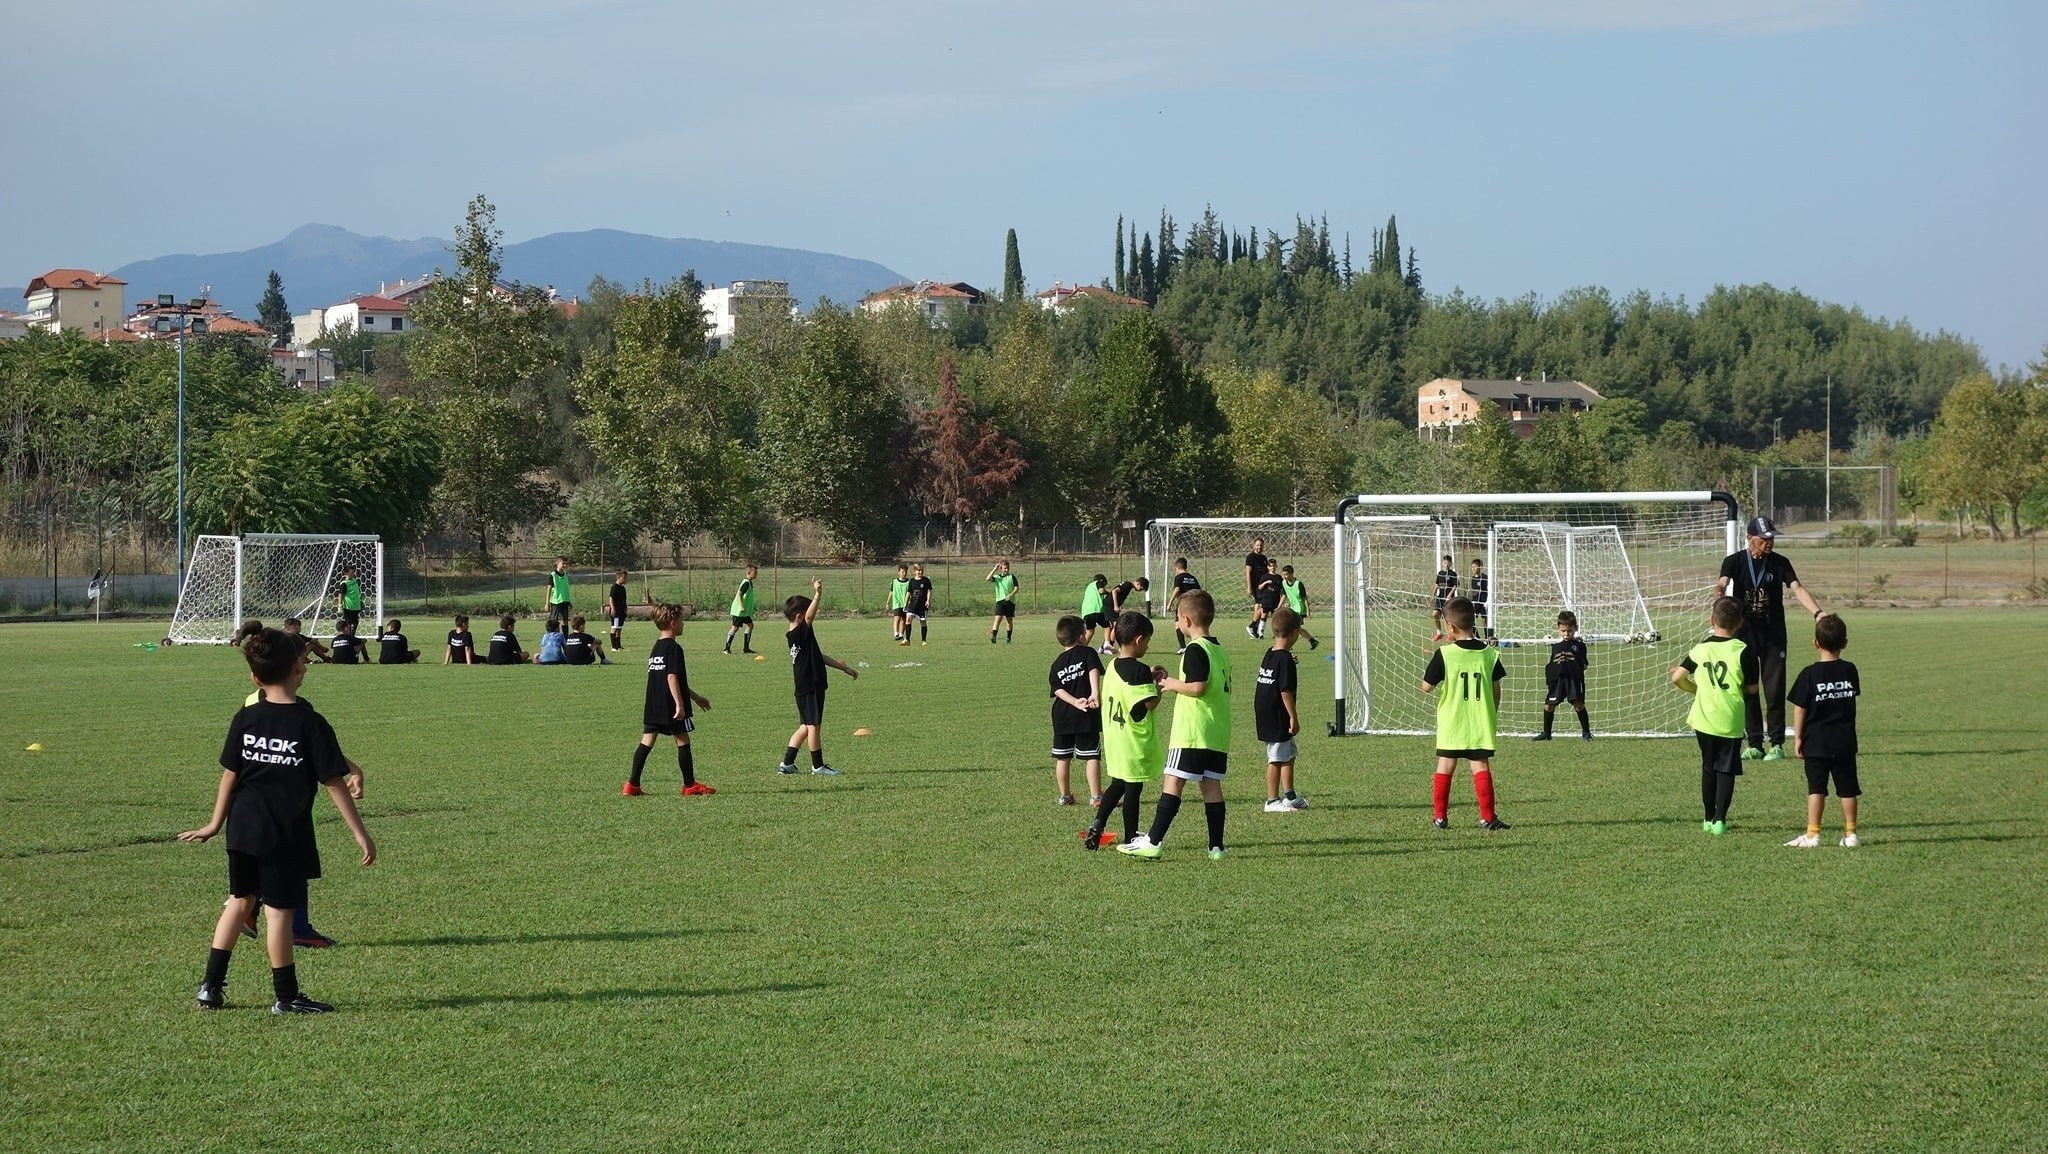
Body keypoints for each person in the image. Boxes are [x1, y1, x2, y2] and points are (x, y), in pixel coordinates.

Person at [180, 627, 375, 1013]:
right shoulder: (309, 722)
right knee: (279, 914)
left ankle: (209, 987)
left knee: (238, 902)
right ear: (299, 669)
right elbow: (334, 783)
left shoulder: (246, 718)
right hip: (284, 835)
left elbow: (230, 775)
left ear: (255, 677)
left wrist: (214, 824)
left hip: (243, 829)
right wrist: (360, 834)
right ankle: (286, 997)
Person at [1120, 589, 1231, 860]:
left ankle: (1154, 841)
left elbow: (1198, 687)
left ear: (1186, 620)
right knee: (1211, 785)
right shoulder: (1218, 649)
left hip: (1192, 732)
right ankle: (1216, 847)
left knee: (1173, 781)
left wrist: (1169, 684)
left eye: (1177, 619)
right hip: (1216, 732)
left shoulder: (1194, 648)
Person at [1715, 516, 1824, 761]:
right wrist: (1719, 594)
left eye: (1771, 538)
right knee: (1749, 689)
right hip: (1744, 638)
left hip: (1774, 638)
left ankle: (1776, 744)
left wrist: (1818, 613)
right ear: (1749, 538)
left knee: (1774, 691)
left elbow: (1797, 588)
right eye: (1764, 538)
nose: (1769, 542)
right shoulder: (1733, 562)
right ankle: (1754, 743)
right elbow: (1722, 582)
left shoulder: (1780, 563)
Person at [1671, 596, 1760, 837]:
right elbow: (1752, 689)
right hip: (1729, 719)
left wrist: (1697, 690)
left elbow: (1677, 677)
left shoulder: (1700, 649)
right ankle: (1720, 819)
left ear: (1712, 620)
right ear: (1739, 623)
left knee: (1708, 766)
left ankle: (1708, 817)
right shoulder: (1744, 651)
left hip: (1703, 718)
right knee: (1726, 769)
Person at [1423, 597, 1509, 831]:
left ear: (1450, 627)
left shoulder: (1445, 654)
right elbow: (1496, 691)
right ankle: (1487, 817)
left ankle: (1440, 818)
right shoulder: (1490, 654)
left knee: (1445, 766)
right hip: (1479, 721)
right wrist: (1491, 712)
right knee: (1480, 765)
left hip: (1452, 721)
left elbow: (1426, 687)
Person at [1083, 610, 1165, 851]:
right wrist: (1158, 685)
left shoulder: (1113, 665)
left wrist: (1147, 676)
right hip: (1132, 739)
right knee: (1133, 787)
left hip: (1114, 736)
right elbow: (1147, 704)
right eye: (1147, 641)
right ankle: (1131, 836)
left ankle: (1098, 823)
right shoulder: (1139, 671)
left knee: (1117, 783)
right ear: (1139, 640)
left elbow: (1126, 690)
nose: (1147, 646)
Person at [1786, 613, 1862, 848]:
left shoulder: (1809, 674)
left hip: (1816, 742)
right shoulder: (1850, 670)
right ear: (1845, 643)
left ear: (1815, 642)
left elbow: (1800, 708)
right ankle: (1851, 835)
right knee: (1848, 789)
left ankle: (1813, 834)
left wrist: (1798, 737)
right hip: (1845, 741)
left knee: (1816, 788)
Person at [624, 603, 714, 796]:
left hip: (654, 702)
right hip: (670, 705)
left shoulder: (656, 647)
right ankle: (690, 786)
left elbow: (673, 680)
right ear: (673, 623)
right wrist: (680, 705)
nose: (683, 624)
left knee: (646, 741)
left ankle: (632, 785)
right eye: (681, 620)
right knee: (683, 740)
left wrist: (696, 698)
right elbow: (672, 677)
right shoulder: (674, 648)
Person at [778, 578, 858, 776]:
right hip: (811, 685)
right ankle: (818, 766)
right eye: (806, 615)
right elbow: (810, 616)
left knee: (805, 726)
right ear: (799, 616)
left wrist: (843, 668)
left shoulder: (799, 636)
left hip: (804, 686)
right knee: (814, 726)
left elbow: (818, 656)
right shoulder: (799, 631)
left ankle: (787, 764)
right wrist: (817, 594)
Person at [1048, 615, 1104, 808]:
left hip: (1062, 715)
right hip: (1086, 710)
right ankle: (1096, 797)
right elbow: (1093, 670)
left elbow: (1057, 690)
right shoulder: (1088, 653)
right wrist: (1095, 694)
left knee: (1063, 757)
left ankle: (1065, 796)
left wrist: (1073, 702)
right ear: (1082, 636)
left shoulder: (1057, 663)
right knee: (1091, 756)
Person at [1257, 606, 1306, 812]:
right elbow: (1284, 690)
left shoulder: (1272, 652)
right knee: (1276, 757)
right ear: (1295, 633)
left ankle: (1290, 795)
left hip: (1266, 710)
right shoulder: (1284, 658)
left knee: (1289, 753)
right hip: (1277, 713)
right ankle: (1272, 800)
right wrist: (1293, 716)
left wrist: (1288, 659)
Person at [1534, 610, 1592, 741]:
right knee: (1549, 705)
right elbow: (1552, 664)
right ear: (1558, 629)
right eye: (1563, 631)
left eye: (1569, 631)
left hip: (1573, 680)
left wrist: (1575, 666)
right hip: (1558, 680)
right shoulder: (1556, 647)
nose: (1566, 634)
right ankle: (1546, 733)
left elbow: (1584, 665)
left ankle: (1586, 732)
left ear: (1575, 628)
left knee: (1578, 704)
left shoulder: (1580, 646)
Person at [1278, 565, 1320, 650]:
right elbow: (1284, 595)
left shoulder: (1298, 584)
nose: (1284, 577)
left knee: (1292, 628)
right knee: (1297, 629)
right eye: (1283, 575)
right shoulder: (1284, 583)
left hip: (1300, 609)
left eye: (1286, 575)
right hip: (1292, 609)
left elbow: (1305, 598)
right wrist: (1278, 607)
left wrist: (1308, 612)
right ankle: (1312, 641)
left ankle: (1288, 645)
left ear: (1291, 574)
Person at [723, 563, 759, 655]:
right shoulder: (746, 583)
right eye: (754, 572)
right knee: (734, 628)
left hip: (744, 612)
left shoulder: (749, 582)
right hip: (739, 611)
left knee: (750, 625)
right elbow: (739, 594)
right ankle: (726, 649)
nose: (756, 574)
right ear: (748, 572)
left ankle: (746, 648)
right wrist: (741, 606)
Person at [1167, 557, 1201, 652]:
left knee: (1178, 625)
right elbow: (1199, 591)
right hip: (1194, 603)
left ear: (1177, 567)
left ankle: (1182, 647)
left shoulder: (1178, 577)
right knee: (1194, 624)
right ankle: (1199, 644)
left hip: (1183, 604)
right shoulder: (1193, 578)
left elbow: (1177, 589)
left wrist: (1170, 603)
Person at [1244, 537, 1275, 640]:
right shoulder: (1250, 557)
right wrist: (1249, 587)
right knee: (1261, 606)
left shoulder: (1264, 558)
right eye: (1257, 545)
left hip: (1264, 587)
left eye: (1261, 545)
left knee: (1258, 607)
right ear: (1254, 546)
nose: (1259, 547)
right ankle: (1252, 626)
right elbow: (1248, 572)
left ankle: (1255, 629)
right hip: (1256, 587)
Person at [987, 560, 1019, 644]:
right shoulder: (997, 578)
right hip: (1000, 601)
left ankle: (1008, 638)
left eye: (1008, 568)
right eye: (1005, 568)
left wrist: (1010, 595)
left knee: (1009, 621)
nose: (1006, 570)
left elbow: (1016, 588)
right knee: (997, 619)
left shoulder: (1011, 577)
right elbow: (988, 578)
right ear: (1001, 568)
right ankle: (994, 637)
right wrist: (994, 569)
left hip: (1010, 602)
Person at [904, 562, 935, 646]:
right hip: (913, 605)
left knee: (923, 622)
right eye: (918, 570)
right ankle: (907, 640)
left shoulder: (926, 580)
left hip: (922, 606)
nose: (920, 572)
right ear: (914, 571)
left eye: (921, 570)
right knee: (908, 620)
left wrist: (928, 601)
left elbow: (929, 591)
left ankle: (924, 640)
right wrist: (905, 604)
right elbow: (909, 593)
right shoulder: (912, 581)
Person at [1431, 555, 1458, 642]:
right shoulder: (1440, 573)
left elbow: (1455, 585)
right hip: (1440, 598)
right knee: (1435, 614)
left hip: (1448, 599)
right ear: (1442, 563)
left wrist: (1450, 594)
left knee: (1448, 618)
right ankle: (1439, 633)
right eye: (1445, 563)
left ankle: (1450, 635)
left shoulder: (1453, 574)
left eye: (1448, 563)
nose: (1446, 564)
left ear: (1451, 564)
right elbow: (1437, 584)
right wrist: (1433, 595)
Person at [1079, 574, 1110, 650]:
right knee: (1107, 627)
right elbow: (1101, 590)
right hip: (1097, 610)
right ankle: (1106, 644)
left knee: (1090, 631)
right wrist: (1108, 593)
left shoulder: (1089, 587)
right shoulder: (1098, 583)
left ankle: (1082, 648)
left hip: (1086, 612)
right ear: (1102, 581)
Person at [334, 563, 364, 634]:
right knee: (349, 624)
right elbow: (341, 595)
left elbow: (356, 592)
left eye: (354, 572)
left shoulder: (355, 581)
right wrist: (340, 606)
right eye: (351, 572)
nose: (353, 574)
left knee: (355, 623)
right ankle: (348, 638)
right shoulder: (344, 583)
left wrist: (360, 601)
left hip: (356, 607)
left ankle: (351, 637)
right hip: (348, 608)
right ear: (345, 573)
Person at [546, 557, 573, 632]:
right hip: (556, 602)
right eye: (563, 563)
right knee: (553, 621)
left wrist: (569, 601)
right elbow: (549, 589)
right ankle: (552, 637)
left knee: (565, 620)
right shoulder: (553, 575)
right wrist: (547, 603)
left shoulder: (565, 574)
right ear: (557, 564)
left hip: (565, 601)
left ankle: (565, 639)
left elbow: (565, 589)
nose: (565, 565)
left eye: (565, 564)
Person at [888, 563, 911, 644]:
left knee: (903, 620)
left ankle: (901, 634)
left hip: (905, 603)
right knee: (897, 618)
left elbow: (910, 593)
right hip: (896, 603)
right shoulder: (894, 581)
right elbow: (891, 592)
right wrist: (887, 602)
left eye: (905, 572)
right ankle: (896, 633)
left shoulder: (909, 582)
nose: (904, 573)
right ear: (899, 572)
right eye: (902, 571)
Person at [1469, 558, 1492, 639]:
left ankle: (1487, 638)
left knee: (1484, 620)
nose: (1473, 569)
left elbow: (1489, 589)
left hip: (1483, 602)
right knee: (1470, 619)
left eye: (1475, 567)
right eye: (1472, 567)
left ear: (1480, 567)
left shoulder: (1485, 577)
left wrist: (1487, 601)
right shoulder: (1472, 578)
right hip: (1475, 603)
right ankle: (1477, 637)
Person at [607, 569, 629, 652]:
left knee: (619, 628)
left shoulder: (622, 588)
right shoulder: (614, 587)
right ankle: (613, 647)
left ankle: (618, 646)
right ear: (619, 577)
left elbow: (624, 600)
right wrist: (612, 608)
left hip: (621, 611)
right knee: (614, 628)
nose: (626, 580)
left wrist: (625, 608)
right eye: (624, 578)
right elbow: (611, 598)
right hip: (616, 611)